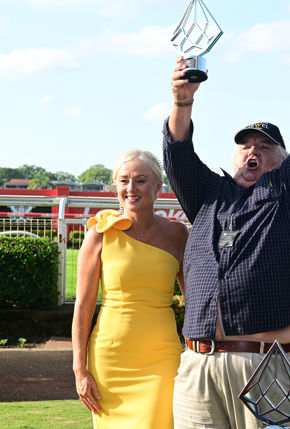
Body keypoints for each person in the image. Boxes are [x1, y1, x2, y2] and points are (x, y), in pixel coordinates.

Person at [163, 15, 290, 429]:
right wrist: (182, 100)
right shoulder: (209, 195)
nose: (252, 152)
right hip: (199, 362)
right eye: (244, 146)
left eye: (264, 146)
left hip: (270, 361)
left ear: (283, 160)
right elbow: (178, 153)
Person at [72, 150, 188, 428]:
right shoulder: (99, 233)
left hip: (162, 357)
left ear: (158, 186)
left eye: (140, 180)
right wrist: (80, 370)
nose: (130, 188)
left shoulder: (178, 234)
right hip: (110, 359)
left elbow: (195, 299)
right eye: (124, 181)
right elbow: (84, 306)